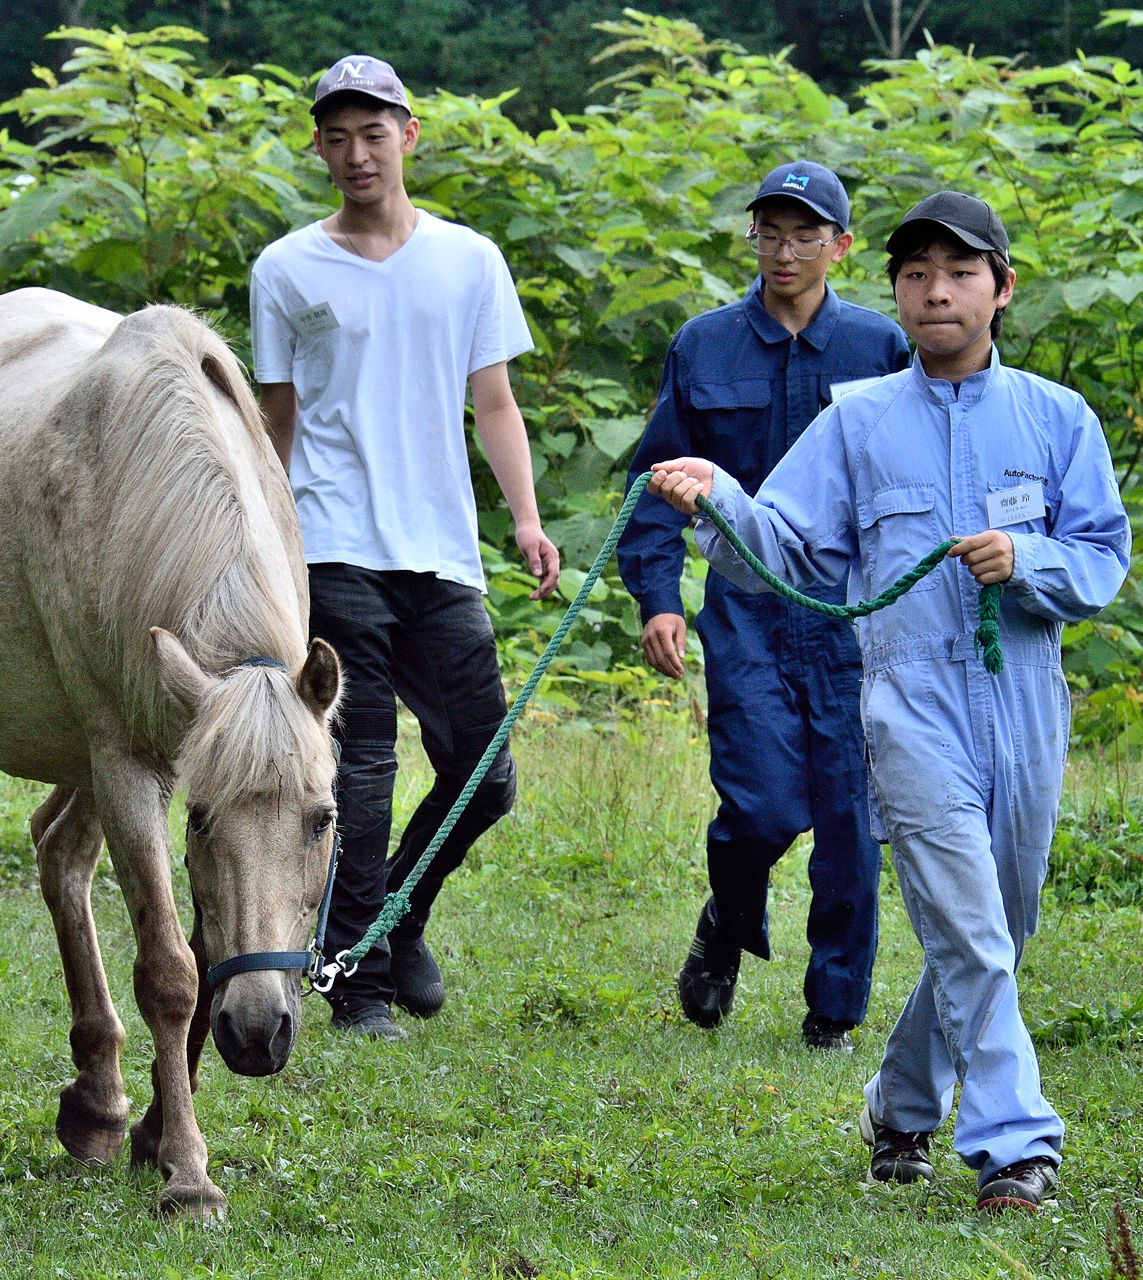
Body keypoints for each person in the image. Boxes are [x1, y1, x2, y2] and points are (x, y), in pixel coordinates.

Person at [646, 191, 1130, 1212]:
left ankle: (901, 1106)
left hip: (1025, 700)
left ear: (1002, 288)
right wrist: (718, 498)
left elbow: (1100, 557)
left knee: (998, 926)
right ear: (897, 292)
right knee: (970, 926)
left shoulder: (1058, 417)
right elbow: (784, 548)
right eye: (915, 275)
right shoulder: (856, 420)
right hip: (908, 704)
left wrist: (1030, 559)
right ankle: (1015, 1146)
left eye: (959, 273)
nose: (935, 292)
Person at [250, 55, 560, 1042]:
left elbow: (494, 401)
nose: (357, 154)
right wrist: (263, 543)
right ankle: (360, 984)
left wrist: (526, 518)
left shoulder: (469, 260)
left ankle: (400, 912)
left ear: (408, 136)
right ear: (318, 147)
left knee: (484, 769)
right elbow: (276, 418)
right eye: (337, 137)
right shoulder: (286, 268)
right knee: (365, 768)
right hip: (333, 542)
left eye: (373, 133)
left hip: (441, 550)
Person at [617, 162, 909, 1052]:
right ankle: (728, 919)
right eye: (769, 233)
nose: (784, 252)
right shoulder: (705, 345)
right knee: (763, 805)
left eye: (804, 236)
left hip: (850, 614)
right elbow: (657, 475)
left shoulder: (880, 348)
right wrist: (659, 598)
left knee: (851, 818)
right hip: (745, 609)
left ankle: (834, 1012)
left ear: (840, 246)